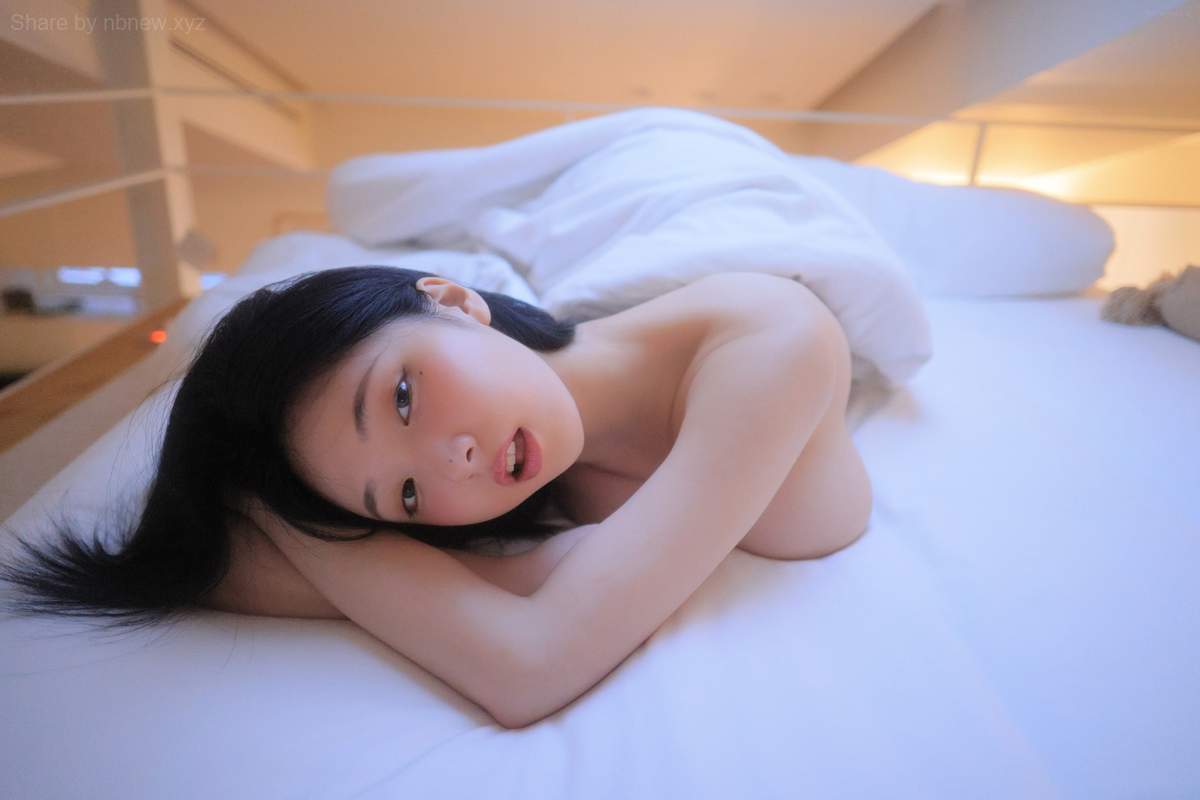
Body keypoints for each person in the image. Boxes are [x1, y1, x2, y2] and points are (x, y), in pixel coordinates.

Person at [0, 264, 870, 723]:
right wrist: (279, 501)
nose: (455, 464)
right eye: (405, 496)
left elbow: (531, 666)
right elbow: (230, 572)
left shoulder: (765, 339)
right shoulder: (517, 476)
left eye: (403, 397)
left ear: (453, 300)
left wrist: (281, 516)